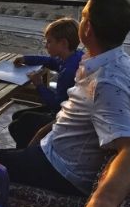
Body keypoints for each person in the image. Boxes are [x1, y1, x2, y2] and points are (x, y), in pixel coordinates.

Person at [0, 0, 130, 207]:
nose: (80, 19)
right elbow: (81, 113)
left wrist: (104, 200)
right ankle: (23, 163)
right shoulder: (114, 59)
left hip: (60, 166)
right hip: (58, 142)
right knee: (23, 123)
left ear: (88, 28)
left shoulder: (107, 83)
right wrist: (49, 129)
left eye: (84, 15)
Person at [7, 17, 83, 147]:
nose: (46, 45)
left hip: (61, 116)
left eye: (49, 42)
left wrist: (39, 85)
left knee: (17, 125)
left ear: (63, 43)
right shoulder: (74, 56)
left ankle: (27, 153)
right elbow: (50, 61)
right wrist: (26, 59)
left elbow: (55, 105)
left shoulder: (68, 72)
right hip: (66, 110)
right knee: (18, 116)